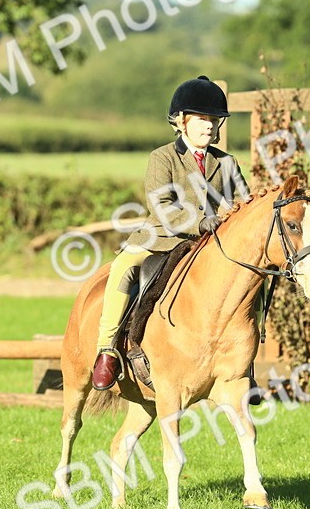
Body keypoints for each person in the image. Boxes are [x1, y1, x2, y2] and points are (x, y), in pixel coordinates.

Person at [91, 75, 253, 391]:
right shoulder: (162, 157)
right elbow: (161, 205)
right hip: (162, 237)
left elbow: (243, 203)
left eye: (214, 120)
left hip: (208, 244)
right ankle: (107, 349)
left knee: (247, 280)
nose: (209, 126)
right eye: (202, 119)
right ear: (181, 121)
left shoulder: (227, 162)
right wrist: (198, 223)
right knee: (124, 268)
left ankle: (246, 366)